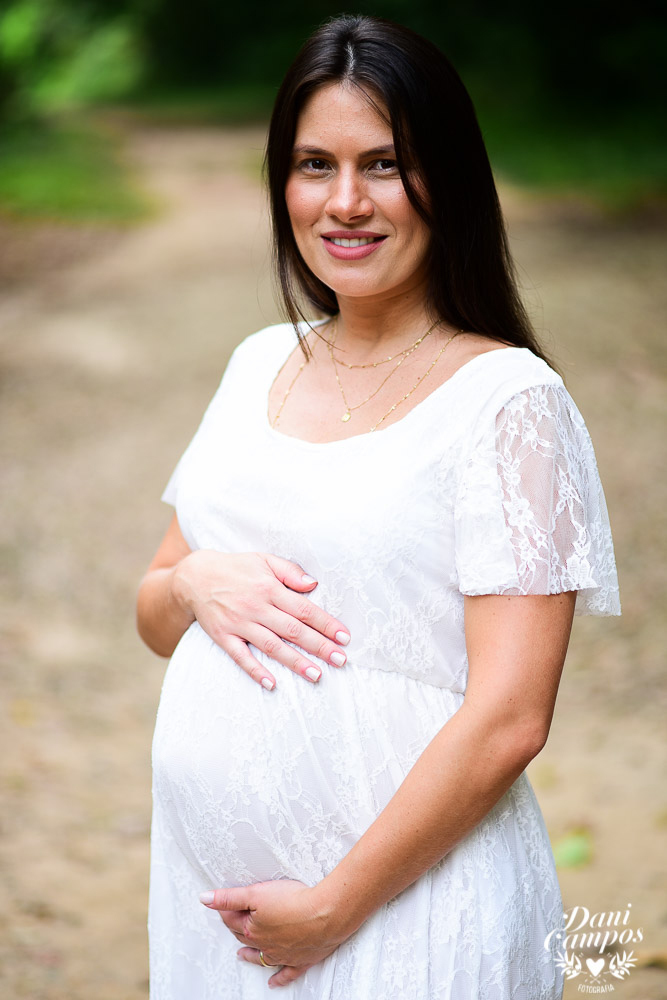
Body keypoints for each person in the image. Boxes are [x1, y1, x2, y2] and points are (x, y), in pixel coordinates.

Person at [136, 15, 620, 1000]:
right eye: (315, 164)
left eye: (385, 164)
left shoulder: (507, 401)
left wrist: (335, 904)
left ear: (449, 179)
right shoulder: (257, 362)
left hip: (406, 914)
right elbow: (151, 613)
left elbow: (511, 717)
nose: (345, 202)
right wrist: (192, 577)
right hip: (219, 919)